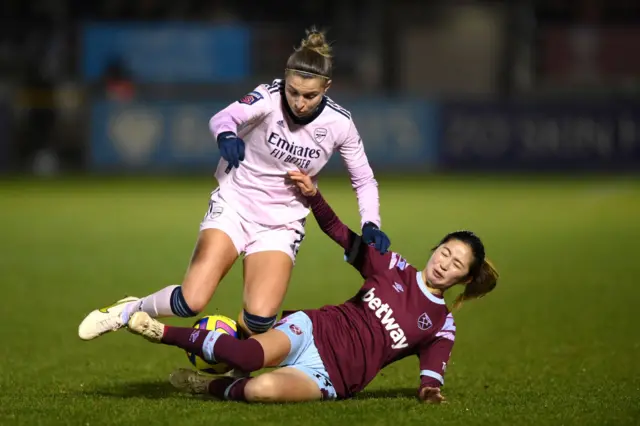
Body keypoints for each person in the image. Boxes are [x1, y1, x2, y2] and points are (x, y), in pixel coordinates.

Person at [77, 27, 391, 341]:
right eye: (293, 91)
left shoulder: (340, 123)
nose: (300, 102)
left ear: (327, 87)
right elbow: (223, 117)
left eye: (310, 95)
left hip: (281, 223)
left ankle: (226, 356)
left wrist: (371, 223)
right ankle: (125, 312)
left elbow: (363, 178)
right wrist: (227, 135)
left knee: (258, 321)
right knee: (191, 300)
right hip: (235, 205)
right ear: (285, 80)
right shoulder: (268, 97)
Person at [124, 170, 500, 403]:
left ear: (463, 279)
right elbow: (339, 232)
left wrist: (430, 392)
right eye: (445, 252)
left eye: (456, 265)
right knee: (248, 357)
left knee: (259, 391)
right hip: (314, 329)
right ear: (437, 248)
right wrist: (313, 197)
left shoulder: (441, 324)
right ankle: (159, 331)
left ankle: (207, 386)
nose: (443, 264)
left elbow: (431, 375)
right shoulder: (392, 266)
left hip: (336, 378)